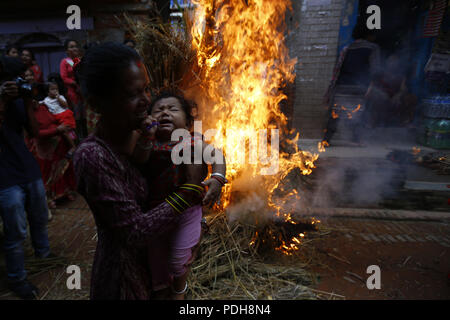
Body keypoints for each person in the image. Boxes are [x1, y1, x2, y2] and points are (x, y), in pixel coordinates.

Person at [73, 42, 206, 300]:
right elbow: (135, 231)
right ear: (97, 104)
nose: (146, 100)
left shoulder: (141, 138)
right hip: (125, 279)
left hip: (155, 265)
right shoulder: (93, 156)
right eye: (131, 94)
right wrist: (188, 192)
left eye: (146, 89)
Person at [132, 90, 226, 299]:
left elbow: (217, 156)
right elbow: (139, 159)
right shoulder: (148, 143)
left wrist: (218, 179)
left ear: (187, 122)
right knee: (156, 262)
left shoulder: (193, 141)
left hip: (187, 212)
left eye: (173, 109)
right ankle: (161, 290)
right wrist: (146, 135)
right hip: (154, 213)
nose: (165, 112)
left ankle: (179, 289)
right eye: (159, 110)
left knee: (177, 260)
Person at [0, 55, 51, 300]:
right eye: (11, 80)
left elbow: (34, 132)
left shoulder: (20, 98)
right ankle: (17, 278)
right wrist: (2, 100)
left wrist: (28, 101)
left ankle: (45, 255)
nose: (16, 83)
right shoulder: (3, 97)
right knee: (15, 230)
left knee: (39, 215)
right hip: (4, 175)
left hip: (25, 166)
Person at [323, 23, 381, 145]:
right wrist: (372, 86)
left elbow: (337, 70)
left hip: (342, 87)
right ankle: (358, 139)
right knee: (359, 112)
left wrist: (331, 89)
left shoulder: (346, 49)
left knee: (336, 113)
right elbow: (375, 70)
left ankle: (326, 139)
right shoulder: (372, 48)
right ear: (368, 35)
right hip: (360, 87)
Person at [60, 39, 86, 140]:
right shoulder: (65, 62)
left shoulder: (80, 60)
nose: (74, 48)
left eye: (75, 46)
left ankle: (86, 136)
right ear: (67, 51)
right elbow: (64, 77)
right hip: (72, 92)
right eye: (71, 47)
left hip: (82, 92)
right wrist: (75, 84)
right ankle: (77, 138)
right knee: (76, 116)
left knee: (84, 116)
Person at [40, 82, 77, 149]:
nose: (55, 91)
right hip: (57, 118)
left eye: (56, 89)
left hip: (65, 116)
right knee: (63, 133)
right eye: (52, 89)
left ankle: (73, 147)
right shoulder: (46, 100)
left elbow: (65, 105)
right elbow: (40, 104)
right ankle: (70, 146)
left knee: (64, 132)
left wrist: (58, 98)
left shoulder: (61, 97)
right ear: (47, 92)